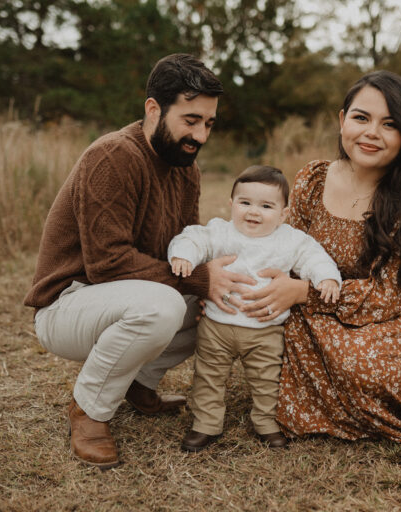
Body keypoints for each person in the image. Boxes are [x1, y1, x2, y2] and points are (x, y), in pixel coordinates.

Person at [23, 54, 256, 469]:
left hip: (123, 297)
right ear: (154, 109)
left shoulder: (186, 168)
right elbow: (106, 264)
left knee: (218, 301)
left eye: (209, 123)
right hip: (68, 304)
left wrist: (224, 272)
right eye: (190, 120)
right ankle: (89, 410)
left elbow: (185, 249)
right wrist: (200, 280)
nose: (200, 135)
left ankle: (137, 383)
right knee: (165, 305)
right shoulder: (113, 157)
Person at [236, 71, 401, 446]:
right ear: (342, 121)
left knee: (359, 364)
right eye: (361, 118)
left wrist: (303, 294)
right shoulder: (312, 180)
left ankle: (372, 389)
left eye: (390, 124)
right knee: (266, 330)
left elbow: (390, 296)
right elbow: (287, 250)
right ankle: (318, 387)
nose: (372, 133)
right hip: (320, 305)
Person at [167, 165, 342, 452]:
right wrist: (184, 255)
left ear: (284, 213)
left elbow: (314, 256)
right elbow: (192, 238)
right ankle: (206, 424)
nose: (253, 212)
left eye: (266, 206)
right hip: (217, 326)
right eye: (244, 202)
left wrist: (326, 277)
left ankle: (267, 423)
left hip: (265, 330)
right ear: (232, 204)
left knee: (267, 380)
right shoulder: (221, 232)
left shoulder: (290, 239)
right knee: (208, 377)